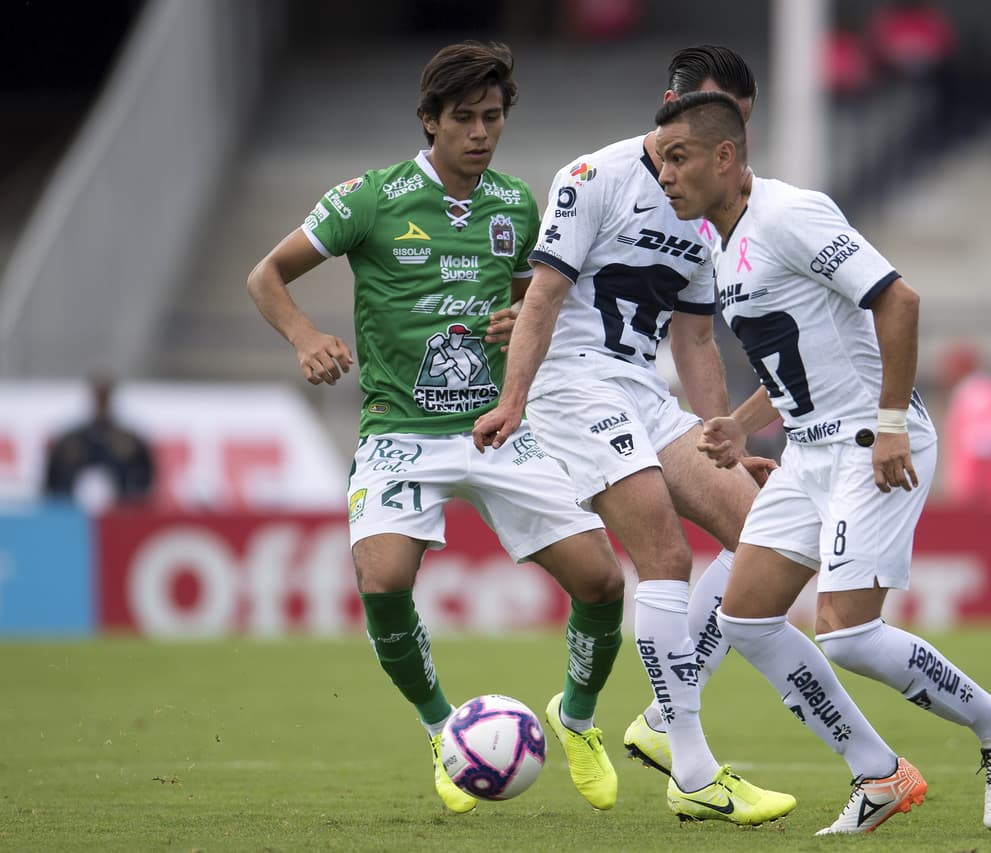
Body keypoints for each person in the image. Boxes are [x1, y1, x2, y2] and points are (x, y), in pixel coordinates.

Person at [651, 90, 991, 835]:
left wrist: (892, 420)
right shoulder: (720, 241)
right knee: (746, 619)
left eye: (678, 158)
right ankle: (879, 771)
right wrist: (739, 426)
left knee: (847, 631)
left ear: (726, 157)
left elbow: (900, 302)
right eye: (660, 161)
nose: (665, 175)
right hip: (809, 453)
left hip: (872, 444)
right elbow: (797, 356)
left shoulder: (789, 214)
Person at [246, 42, 626, 815]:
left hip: (493, 426)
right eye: (465, 119)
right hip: (399, 432)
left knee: (603, 580)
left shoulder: (517, 204)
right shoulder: (371, 198)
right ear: (430, 121)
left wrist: (520, 319)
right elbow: (266, 275)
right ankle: (439, 728)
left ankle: (578, 721)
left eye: (493, 118)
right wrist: (305, 337)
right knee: (383, 580)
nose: (482, 132)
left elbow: (533, 311)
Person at [473, 46, 796, 825]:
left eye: (740, 135)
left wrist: (723, 433)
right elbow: (544, 296)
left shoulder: (708, 207)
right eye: (715, 128)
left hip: (643, 389)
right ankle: (691, 766)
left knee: (768, 533)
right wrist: (515, 398)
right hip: (574, 383)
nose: (729, 152)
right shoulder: (596, 177)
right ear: (668, 108)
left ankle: (659, 717)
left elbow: (692, 338)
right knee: (666, 557)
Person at [44, 376, 154, 511]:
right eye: (98, 397)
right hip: (72, 516)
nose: (101, 403)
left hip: (120, 516)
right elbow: (51, 486)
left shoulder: (130, 442)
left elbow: (145, 484)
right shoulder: (70, 443)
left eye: (104, 397)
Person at [936, 341, 991, 506]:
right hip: (975, 490)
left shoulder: (978, 392)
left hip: (981, 493)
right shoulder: (971, 391)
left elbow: (984, 443)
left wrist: (977, 489)